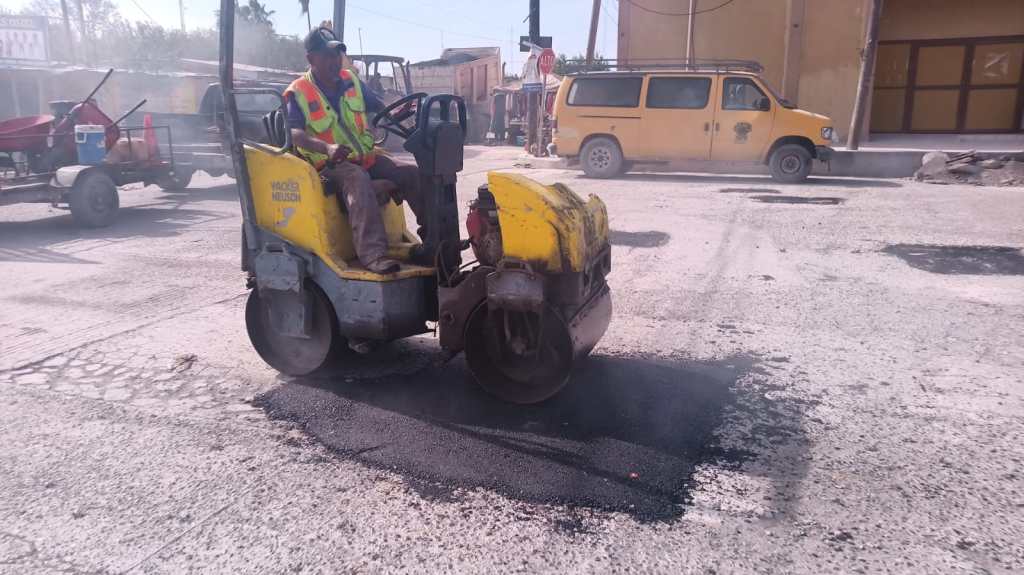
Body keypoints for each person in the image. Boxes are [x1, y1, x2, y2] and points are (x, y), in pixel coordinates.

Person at [285, 27, 424, 275]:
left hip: (365, 159)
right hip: (329, 166)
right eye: (327, 55)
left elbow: (378, 107)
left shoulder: (351, 81)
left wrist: (397, 113)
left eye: (337, 54)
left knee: (411, 173)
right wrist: (327, 148)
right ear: (311, 58)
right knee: (357, 179)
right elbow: (294, 133)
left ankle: (435, 243)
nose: (335, 61)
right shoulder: (299, 91)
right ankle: (373, 255)